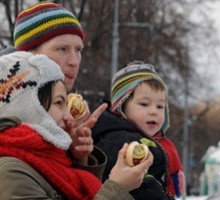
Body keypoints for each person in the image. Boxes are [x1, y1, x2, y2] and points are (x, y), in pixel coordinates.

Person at [0, 51, 153, 199]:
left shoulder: (50, 161)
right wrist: (118, 188)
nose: (67, 116)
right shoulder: (10, 172)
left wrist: (79, 161)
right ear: (28, 107)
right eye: (59, 103)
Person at [9, 1, 108, 168]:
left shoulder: (70, 116)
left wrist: (78, 156)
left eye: (78, 50)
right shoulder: (8, 110)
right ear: (28, 54)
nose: (75, 61)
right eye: (62, 49)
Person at [92, 61, 186, 199]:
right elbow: (146, 189)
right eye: (144, 104)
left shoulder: (156, 143)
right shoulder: (119, 142)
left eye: (160, 106)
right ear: (122, 107)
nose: (153, 111)